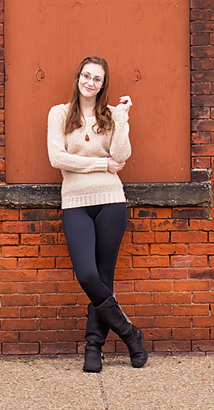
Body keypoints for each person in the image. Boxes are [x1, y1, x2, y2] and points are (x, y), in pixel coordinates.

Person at [47, 56, 148, 373]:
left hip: (110, 200)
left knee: (104, 277)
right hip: (75, 201)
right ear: (78, 77)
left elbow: (121, 156)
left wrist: (124, 117)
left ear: (103, 85)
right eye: (86, 76)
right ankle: (130, 333)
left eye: (97, 79)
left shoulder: (111, 115)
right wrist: (101, 164)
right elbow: (57, 158)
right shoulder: (59, 114)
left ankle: (94, 348)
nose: (90, 82)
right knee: (88, 276)